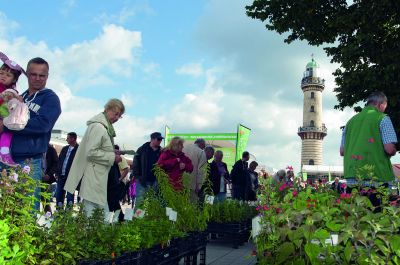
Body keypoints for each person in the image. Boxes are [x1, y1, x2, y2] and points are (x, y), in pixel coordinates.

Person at [1, 57, 61, 211]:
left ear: (47, 76)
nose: (38, 78)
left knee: (25, 211)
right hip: (7, 159)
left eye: (42, 75)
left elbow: (43, 125)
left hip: (29, 162)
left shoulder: (50, 98)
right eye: (33, 74)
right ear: (27, 74)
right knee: (7, 208)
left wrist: (6, 125)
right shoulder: (20, 96)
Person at [64, 99, 124, 221]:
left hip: (97, 177)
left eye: (119, 115)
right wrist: (113, 157)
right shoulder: (99, 127)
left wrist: (112, 151)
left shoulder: (103, 126)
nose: (117, 118)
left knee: (97, 216)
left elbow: (96, 149)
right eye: (115, 113)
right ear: (107, 109)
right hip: (94, 178)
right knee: (94, 218)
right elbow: (91, 152)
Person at [340, 92, 397, 185]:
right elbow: (390, 149)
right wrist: (394, 150)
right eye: (385, 106)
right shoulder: (382, 118)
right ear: (381, 105)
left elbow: (342, 151)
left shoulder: (350, 122)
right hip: (377, 175)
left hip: (352, 175)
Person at [0, 52, 28, 166]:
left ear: (14, 80)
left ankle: (4, 153)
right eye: (1, 73)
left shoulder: (13, 92)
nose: (3, 76)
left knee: (9, 131)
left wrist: (17, 99)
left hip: (5, 120)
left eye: (8, 75)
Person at [132, 132, 163, 208]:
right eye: (158, 139)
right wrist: (137, 177)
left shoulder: (162, 151)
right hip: (143, 181)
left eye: (161, 140)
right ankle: (137, 219)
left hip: (156, 181)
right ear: (152, 139)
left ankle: (150, 219)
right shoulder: (142, 149)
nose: (160, 141)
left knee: (154, 204)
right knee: (140, 203)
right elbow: (135, 163)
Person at [56, 132, 79, 207]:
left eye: (68, 138)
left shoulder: (79, 150)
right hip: (61, 176)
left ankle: (68, 213)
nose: (66, 139)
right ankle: (59, 212)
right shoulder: (65, 149)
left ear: (73, 139)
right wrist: (57, 173)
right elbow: (59, 161)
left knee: (70, 196)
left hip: (71, 177)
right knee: (59, 194)